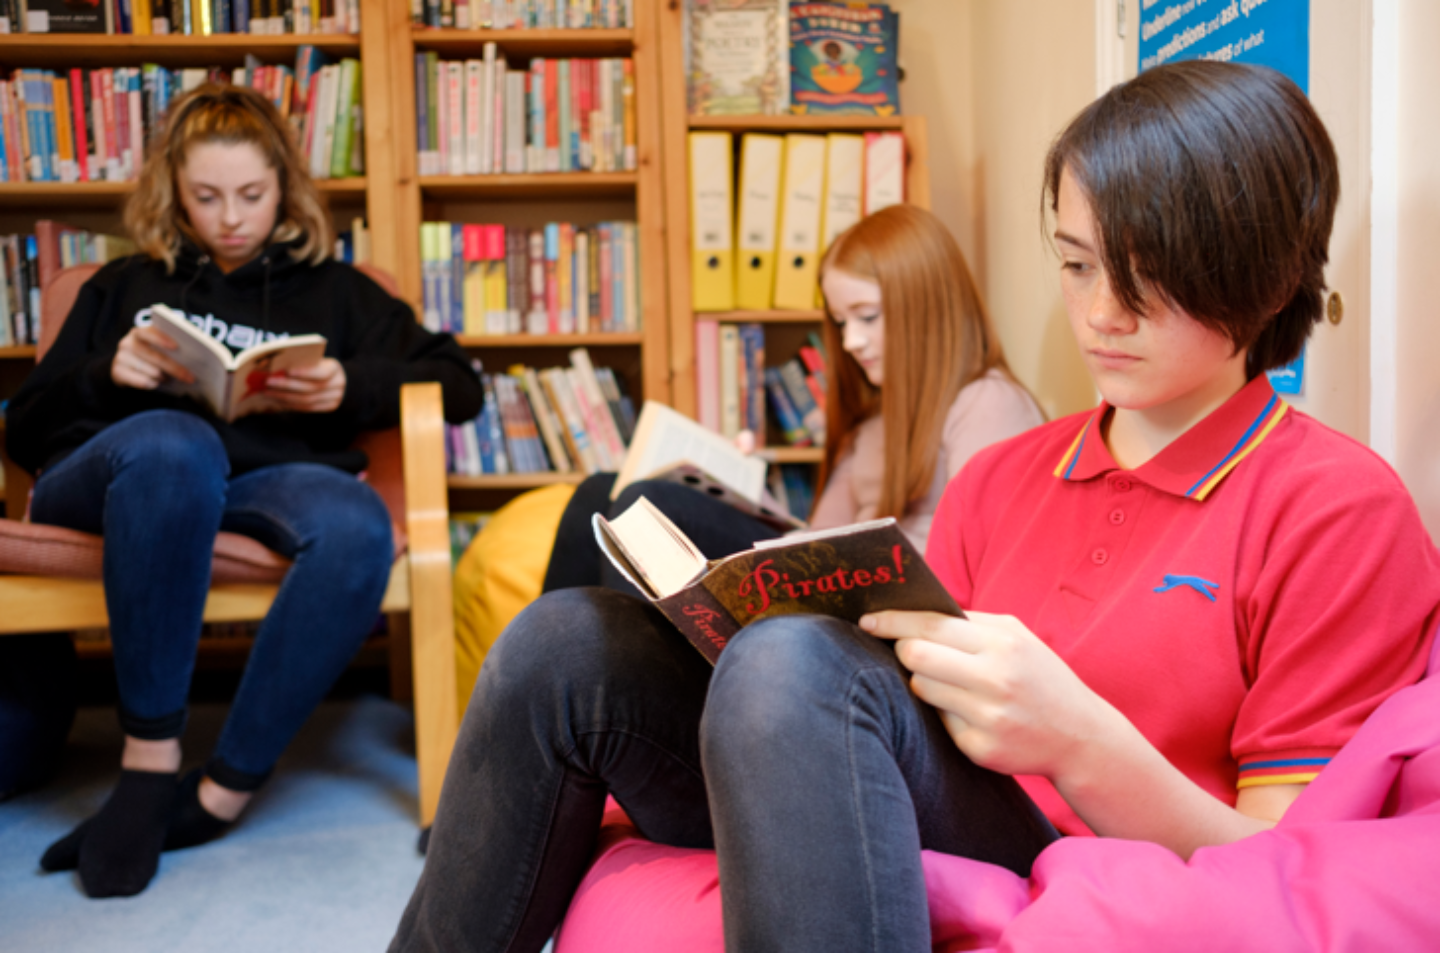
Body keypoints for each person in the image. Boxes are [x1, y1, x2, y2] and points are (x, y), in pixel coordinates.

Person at [389, 61, 1440, 953]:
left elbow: (1278, 871)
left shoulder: (1334, 505)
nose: (1100, 313)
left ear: (1268, 278)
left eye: (1150, 277)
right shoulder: (1005, 473)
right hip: (904, 799)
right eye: (1077, 264)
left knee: (792, 665)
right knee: (565, 642)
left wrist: (1079, 740)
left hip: (1089, 857)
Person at [5, 84, 483, 899]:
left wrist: (350, 383)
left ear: (284, 188)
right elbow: (22, 428)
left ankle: (217, 794)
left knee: (358, 522)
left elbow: (460, 383)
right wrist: (105, 372)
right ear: (173, 191)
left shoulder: (340, 293)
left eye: (252, 195)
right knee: (175, 442)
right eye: (206, 196)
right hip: (121, 479)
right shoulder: (122, 285)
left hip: (262, 481)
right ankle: (149, 765)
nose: (230, 218)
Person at [542, 203, 1044, 597]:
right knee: (597, 494)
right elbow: (819, 534)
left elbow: (980, 565)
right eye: (841, 323)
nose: (850, 342)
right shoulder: (874, 422)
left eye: (867, 317)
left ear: (925, 305)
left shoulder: (987, 403)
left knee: (646, 506)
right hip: (830, 579)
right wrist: (743, 490)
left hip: (876, 594)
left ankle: (620, 674)